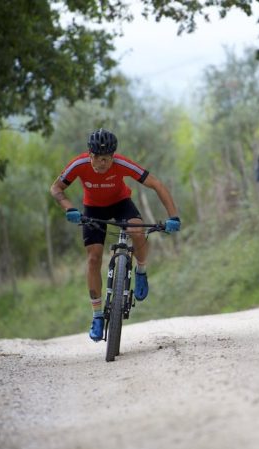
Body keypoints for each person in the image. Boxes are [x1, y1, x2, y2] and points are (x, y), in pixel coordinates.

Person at [50, 128, 180, 341]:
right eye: (100, 159)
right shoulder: (78, 165)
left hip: (121, 204)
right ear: (90, 155)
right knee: (93, 258)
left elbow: (156, 184)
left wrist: (173, 216)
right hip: (93, 209)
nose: (104, 164)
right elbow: (55, 188)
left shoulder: (121, 164)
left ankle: (141, 271)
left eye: (108, 159)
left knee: (137, 230)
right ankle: (98, 315)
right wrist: (69, 208)